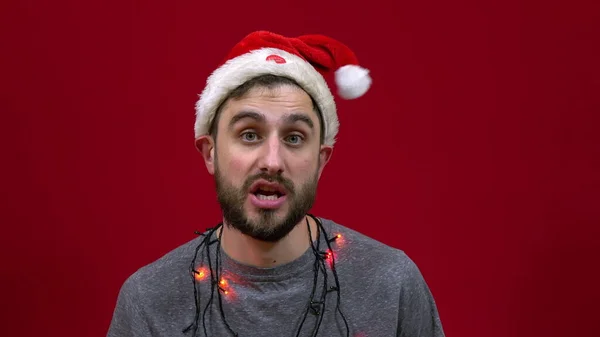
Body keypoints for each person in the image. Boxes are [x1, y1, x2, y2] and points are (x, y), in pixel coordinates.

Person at [107, 31, 445, 337]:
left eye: (294, 137)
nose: (272, 161)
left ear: (321, 161)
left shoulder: (391, 282)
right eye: (249, 134)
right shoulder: (149, 301)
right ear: (210, 153)